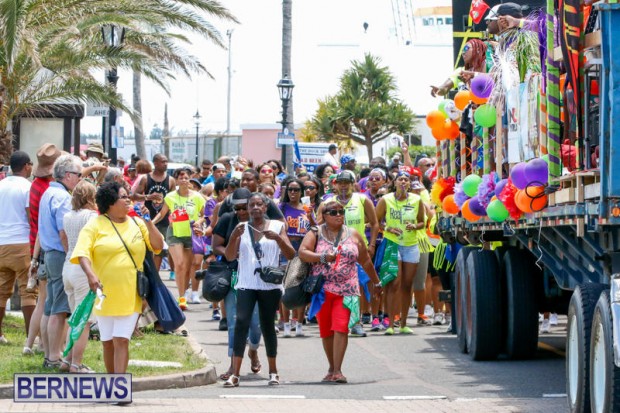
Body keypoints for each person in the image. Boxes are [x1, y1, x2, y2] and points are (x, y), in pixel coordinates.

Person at [71, 182, 164, 378]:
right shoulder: (95, 225)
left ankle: (119, 385)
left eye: (128, 196)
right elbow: (82, 253)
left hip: (130, 293)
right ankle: (112, 382)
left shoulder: (137, 223)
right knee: (107, 342)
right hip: (104, 293)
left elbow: (157, 245)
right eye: (123, 197)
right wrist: (90, 275)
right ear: (110, 202)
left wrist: (148, 221)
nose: (128, 200)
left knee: (121, 340)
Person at [299, 199, 382, 383]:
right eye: (333, 212)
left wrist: (376, 282)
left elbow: (365, 260)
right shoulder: (316, 232)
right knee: (326, 331)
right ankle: (331, 367)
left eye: (341, 211)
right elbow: (303, 252)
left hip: (347, 289)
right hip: (322, 291)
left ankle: (338, 370)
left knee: (341, 327)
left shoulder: (353, 234)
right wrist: (322, 257)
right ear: (324, 215)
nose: (338, 215)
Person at [223, 193, 295, 387]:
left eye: (259, 204)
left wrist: (278, 239)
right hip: (246, 283)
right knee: (241, 323)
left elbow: (291, 254)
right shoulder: (241, 228)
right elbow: (230, 256)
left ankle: (273, 371)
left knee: (267, 325)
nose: (255, 207)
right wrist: (233, 237)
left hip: (269, 285)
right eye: (251, 205)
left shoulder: (277, 226)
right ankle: (235, 374)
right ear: (247, 209)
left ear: (265, 207)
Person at [318, 170, 379, 338]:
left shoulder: (362, 199)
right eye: (340, 182)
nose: (343, 185)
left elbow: (374, 223)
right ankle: (337, 320)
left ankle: (357, 322)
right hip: (333, 252)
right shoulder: (327, 202)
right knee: (336, 288)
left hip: (356, 250)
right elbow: (318, 226)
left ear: (353, 184)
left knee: (357, 286)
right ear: (335, 184)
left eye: (347, 182)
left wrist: (372, 244)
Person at [211, 188, 263, 381]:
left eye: (244, 207)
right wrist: (231, 252)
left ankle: (253, 350)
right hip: (233, 275)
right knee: (234, 322)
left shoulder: (262, 221)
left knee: (256, 324)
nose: (241, 211)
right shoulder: (227, 219)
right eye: (237, 208)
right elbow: (216, 245)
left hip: (257, 278)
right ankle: (233, 364)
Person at [38, 154, 83, 369]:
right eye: (78, 174)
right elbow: (63, 232)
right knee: (59, 309)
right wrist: (70, 254)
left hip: (49, 253)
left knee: (49, 307)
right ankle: (54, 357)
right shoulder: (63, 197)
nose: (80, 178)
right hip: (58, 253)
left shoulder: (48, 192)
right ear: (67, 175)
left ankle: (49, 354)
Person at [375, 170, 425, 334]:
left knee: (407, 284)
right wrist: (388, 228)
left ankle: (403, 323)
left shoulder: (416, 199)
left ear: (409, 184)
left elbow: (422, 222)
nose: (403, 182)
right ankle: (390, 324)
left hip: (411, 245)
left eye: (406, 180)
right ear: (394, 183)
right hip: (393, 244)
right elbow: (376, 221)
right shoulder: (386, 199)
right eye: (400, 179)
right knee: (394, 283)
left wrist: (414, 226)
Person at [24, 144, 62, 356]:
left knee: (42, 301)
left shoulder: (35, 185)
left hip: (37, 244)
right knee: (51, 303)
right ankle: (47, 347)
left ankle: (30, 343)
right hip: (48, 246)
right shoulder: (51, 189)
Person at [152, 168, 205, 309]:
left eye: (186, 178)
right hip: (174, 233)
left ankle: (186, 293)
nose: (184, 180)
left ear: (189, 180)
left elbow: (204, 215)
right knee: (179, 264)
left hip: (191, 234)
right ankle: (181, 298)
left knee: (187, 267)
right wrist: (151, 223)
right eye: (181, 178)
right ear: (176, 180)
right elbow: (162, 213)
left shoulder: (197, 197)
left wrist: (199, 222)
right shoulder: (170, 197)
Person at [61, 180, 98, 372]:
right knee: (84, 320)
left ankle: (66, 360)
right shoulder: (91, 216)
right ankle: (76, 364)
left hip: (68, 266)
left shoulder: (68, 216)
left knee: (74, 317)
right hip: (83, 268)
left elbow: (65, 239)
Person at [0, 151, 35, 345]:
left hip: (1, 242)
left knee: (1, 291)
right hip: (21, 241)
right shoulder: (27, 187)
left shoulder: (1, 185)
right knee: (28, 290)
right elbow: (30, 216)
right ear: (26, 166)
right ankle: (31, 338)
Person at [278, 178, 313, 337]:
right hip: (286, 248)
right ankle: (285, 324)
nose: (293, 192)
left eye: (296, 190)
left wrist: (310, 215)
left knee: (301, 287)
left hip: (303, 248)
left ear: (301, 192)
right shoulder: (282, 207)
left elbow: (314, 227)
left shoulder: (306, 208)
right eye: (290, 189)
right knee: (286, 287)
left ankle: (298, 324)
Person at [132, 154, 176, 273]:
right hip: (147, 218)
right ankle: (147, 272)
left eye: (166, 161)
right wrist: (148, 196)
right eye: (163, 161)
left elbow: (173, 200)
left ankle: (155, 275)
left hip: (164, 220)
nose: (165, 164)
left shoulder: (171, 180)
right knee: (146, 248)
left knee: (161, 249)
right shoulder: (146, 179)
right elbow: (134, 195)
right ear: (155, 163)